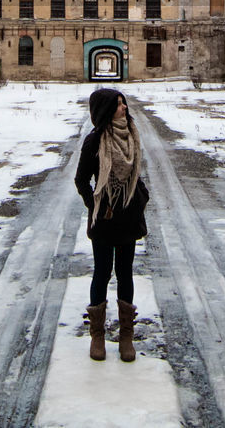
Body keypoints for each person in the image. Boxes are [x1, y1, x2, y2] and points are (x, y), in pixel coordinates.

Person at [74, 87, 150, 362]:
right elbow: (82, 179)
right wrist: (94, 205)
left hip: (128, 213)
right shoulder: (94, 141)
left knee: (126, 273)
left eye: (124, 103)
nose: (124, 108)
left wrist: (140, 196)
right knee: (102, 273)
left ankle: (126, 336)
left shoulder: (132, 136)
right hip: (105, 218)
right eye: (118, 105)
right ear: (106, 110)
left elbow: (137, 172)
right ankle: (98, 336)